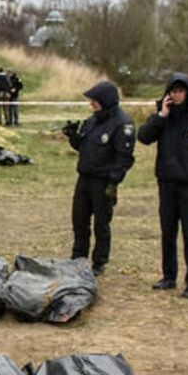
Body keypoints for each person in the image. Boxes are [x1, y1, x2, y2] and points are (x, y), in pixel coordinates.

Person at [137, 73, 188, 298]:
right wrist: (161, 116)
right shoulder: (164, 117)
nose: (177, 94)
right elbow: (143, 137)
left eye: (181, 90)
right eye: (173, 91)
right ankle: (169, 276)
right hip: (166, 183)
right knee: (167, 232)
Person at [62, 81, 135, 276]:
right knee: (79, 219)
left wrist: (113, 182)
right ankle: (78, 257)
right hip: (84, 178)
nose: (91, 104)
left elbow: (124, 157)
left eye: (95, 100)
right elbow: (85, 148)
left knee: (101, 223)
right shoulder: (93, 120)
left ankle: (99, 262)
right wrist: (73, 137)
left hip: (103, 181)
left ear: (106, 101)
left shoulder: (122, 123)